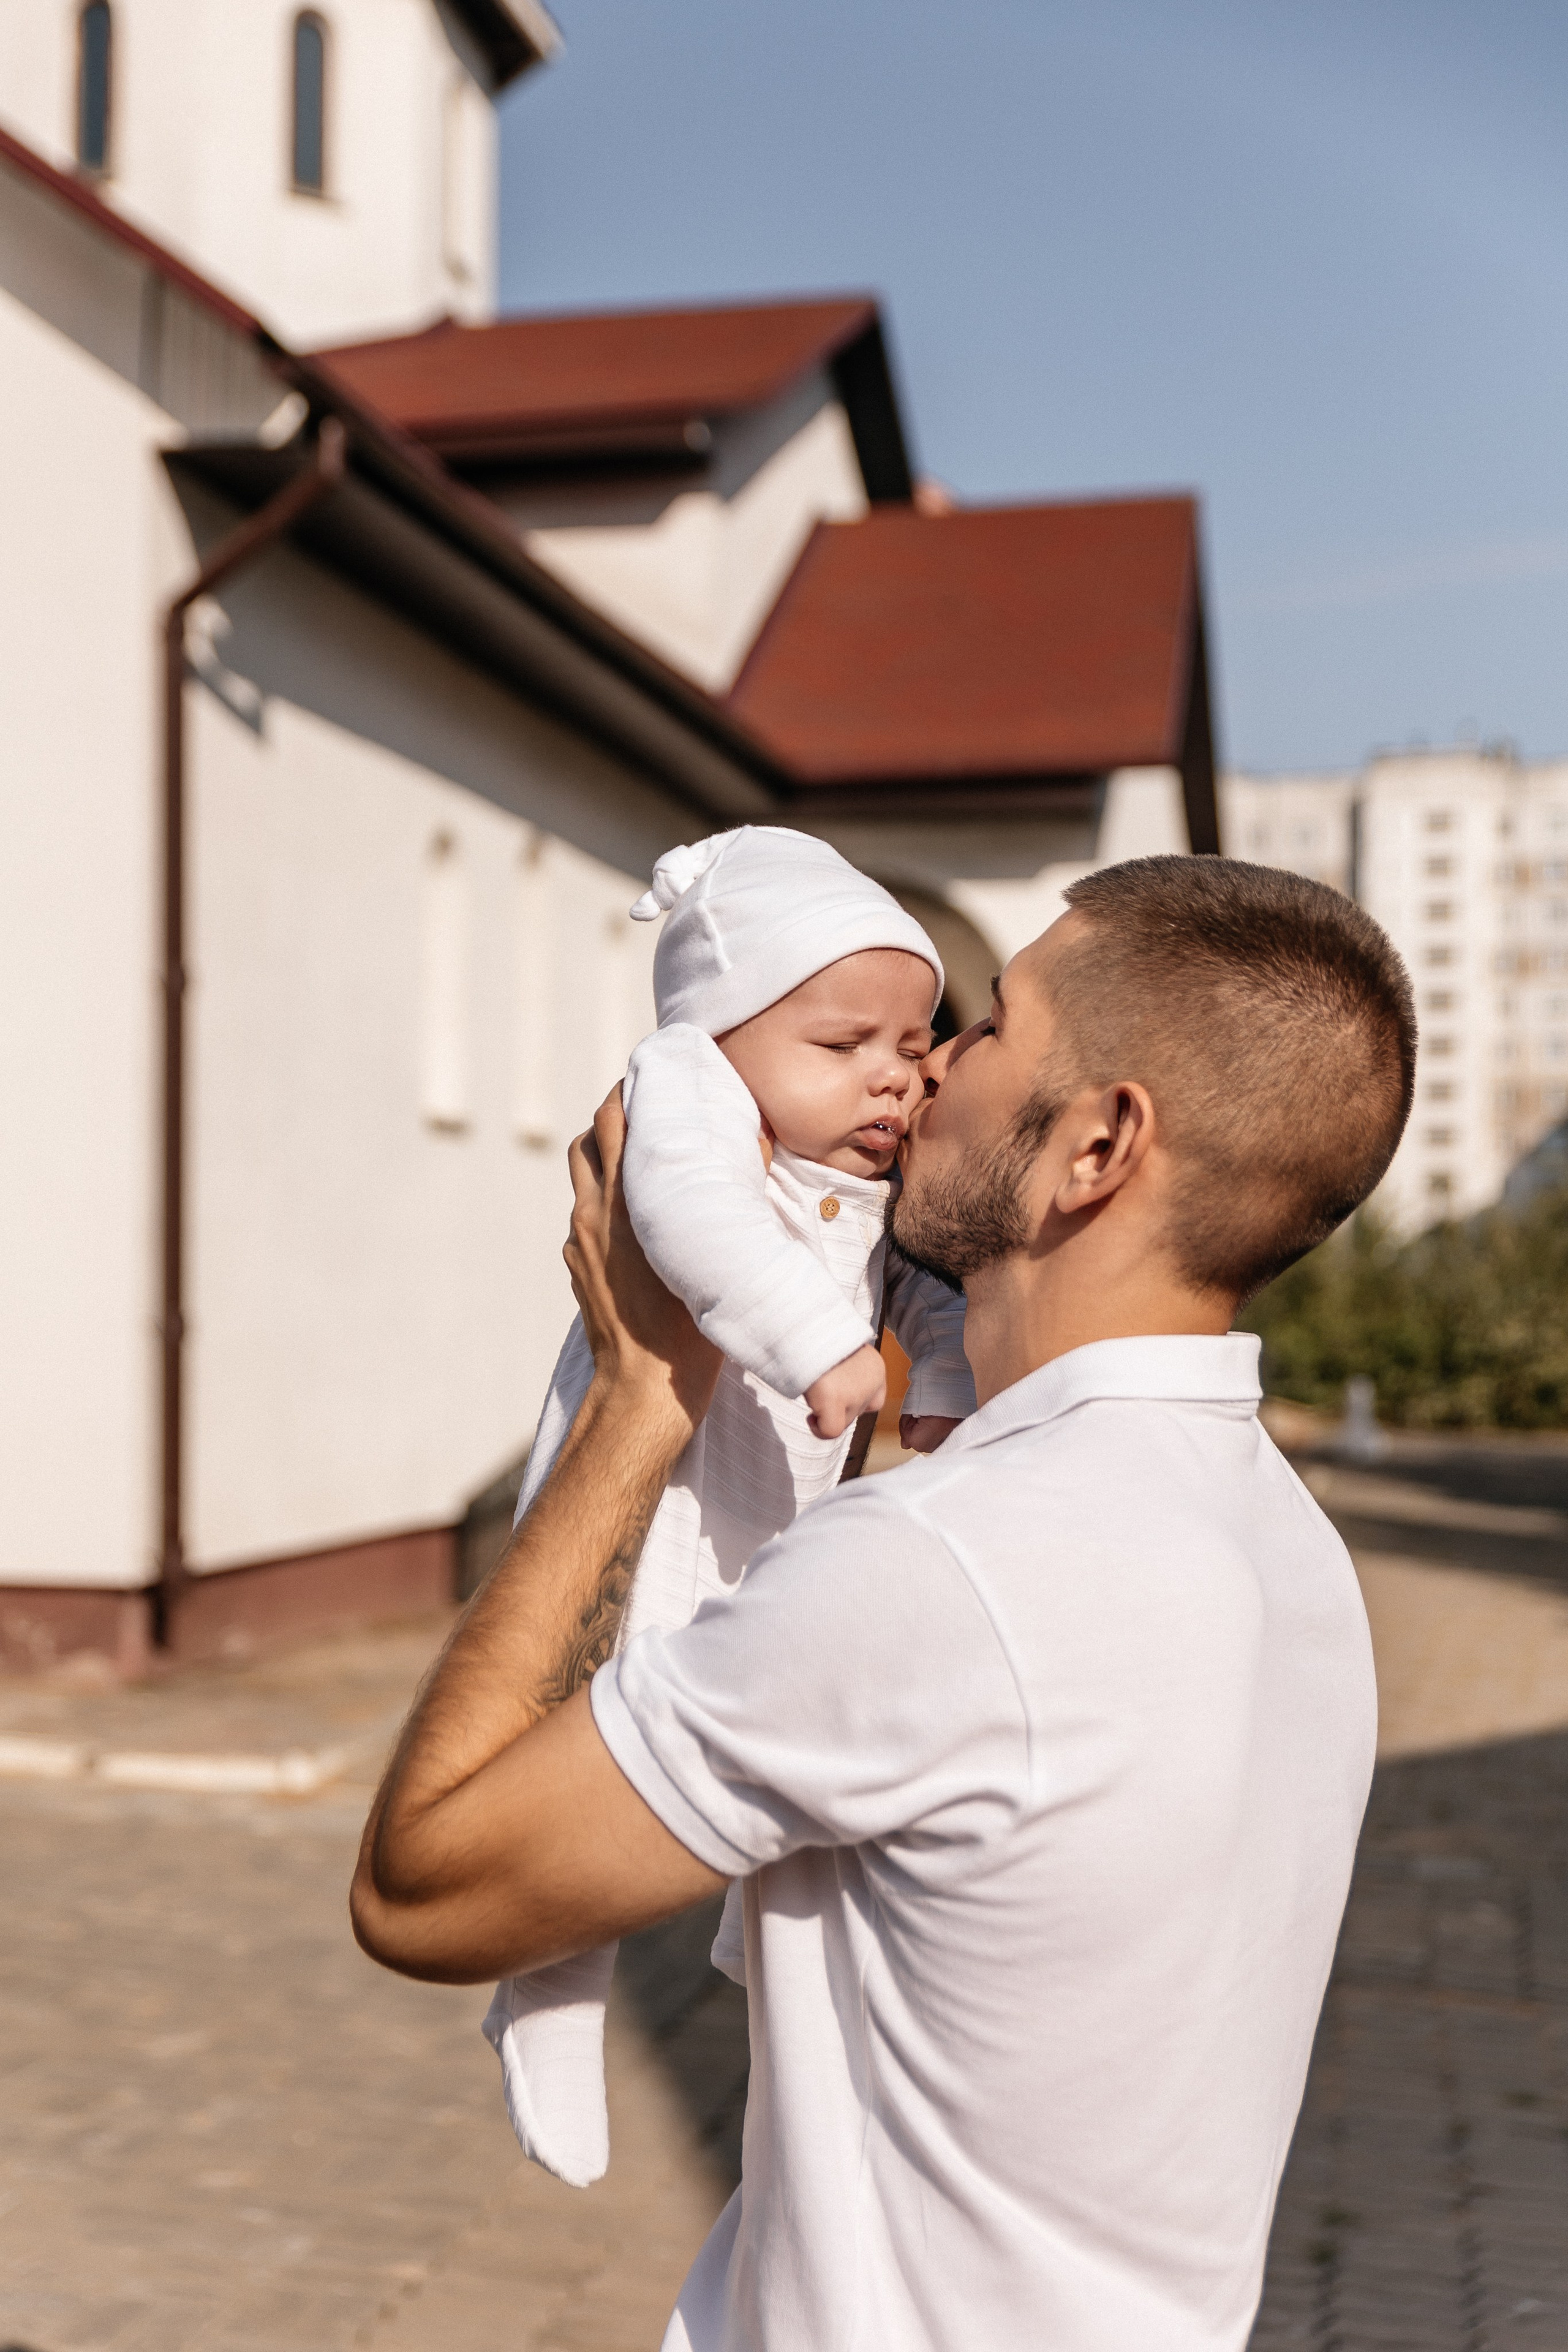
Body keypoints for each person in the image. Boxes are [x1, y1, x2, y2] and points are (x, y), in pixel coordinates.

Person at [352, 853, 1417, 2352]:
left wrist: (638, 1397)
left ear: (1097, 1147)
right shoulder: (1287, 1555)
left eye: (986, 1026)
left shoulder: (951, 1567)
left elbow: (425, 1888)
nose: (927, 1070)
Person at [488, 826, 974, 2187]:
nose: (893, 1073)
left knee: (773, 1728)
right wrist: (822, 1342)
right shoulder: (686, 1094)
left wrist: (930, 1374)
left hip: (782, 1504)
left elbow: (927, 1287)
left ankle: (748, 1943)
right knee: (589, 1724)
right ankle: (545, 1978)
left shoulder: (878, 1182)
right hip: (661, 1485)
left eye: (915, 1039)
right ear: (721, 1036)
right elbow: (690, 1218)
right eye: (844, 1044)